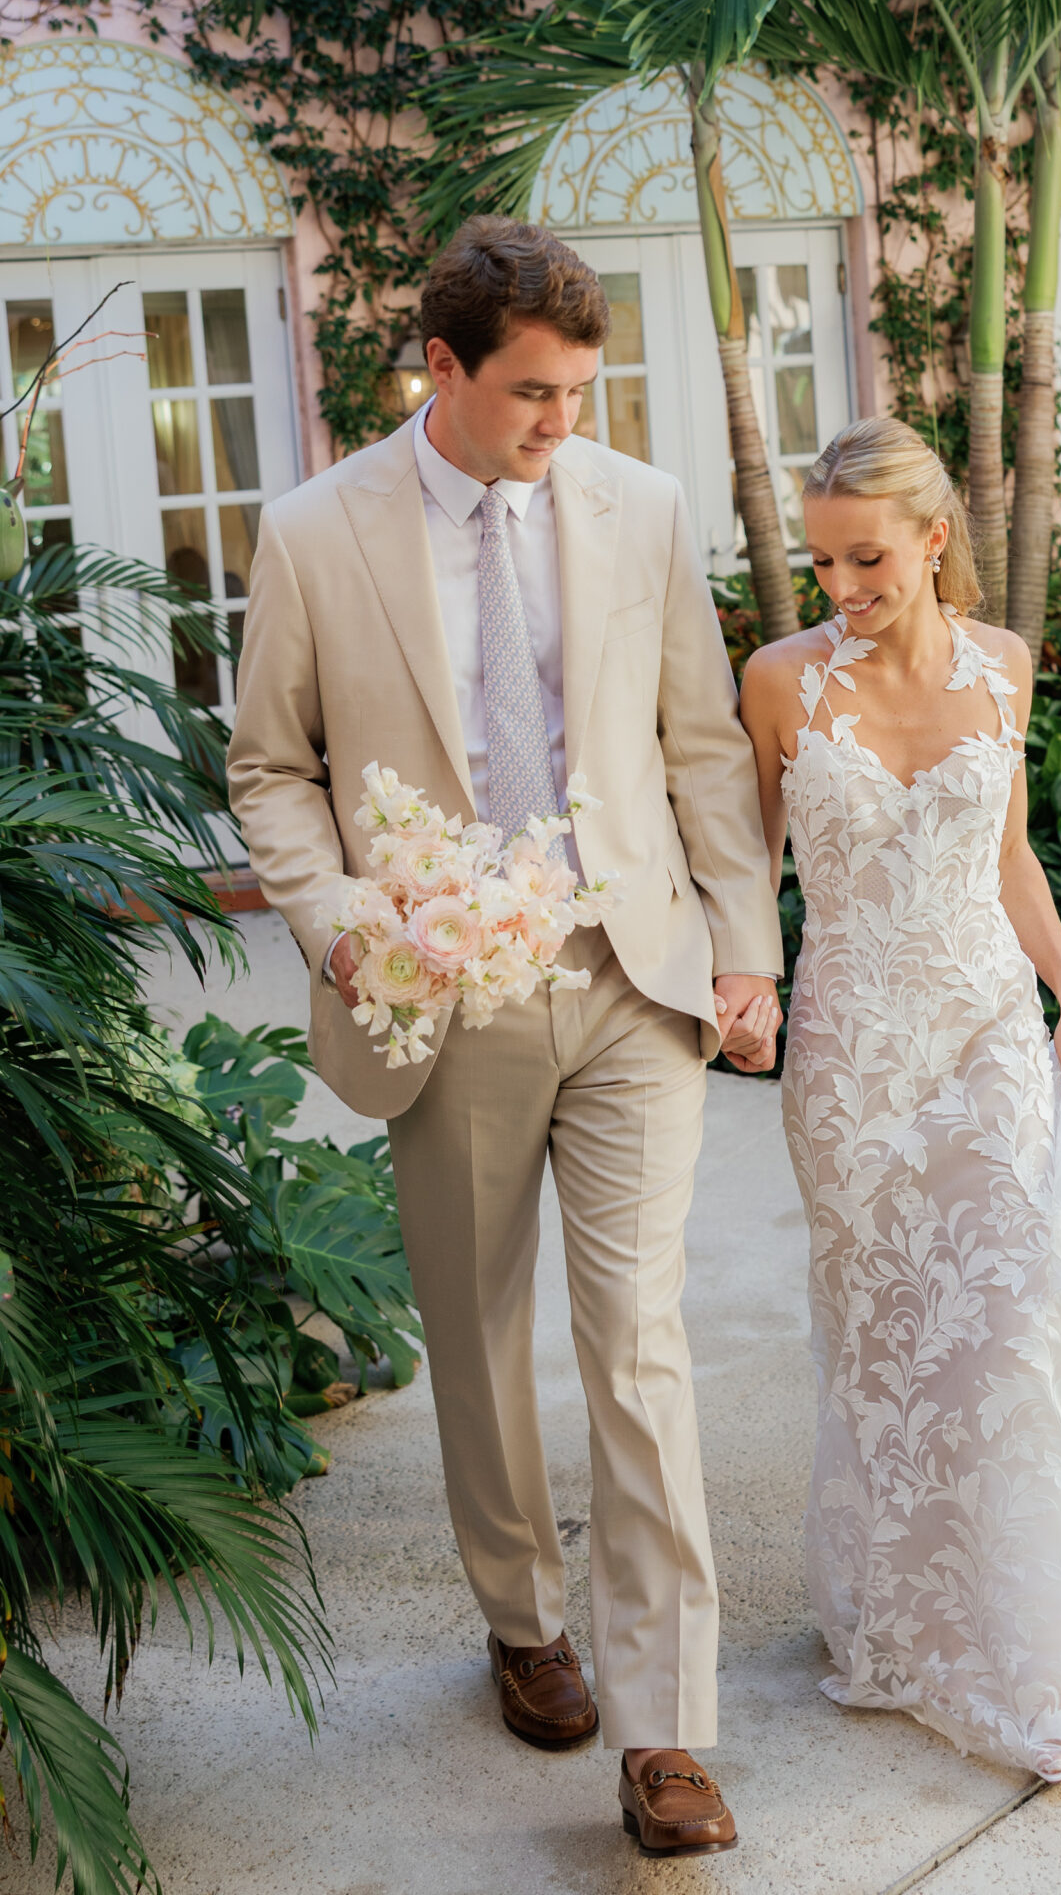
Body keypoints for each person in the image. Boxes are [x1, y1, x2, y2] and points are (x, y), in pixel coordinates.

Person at [229, 218, 784, 1856]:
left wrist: (745, 949)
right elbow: (270, 768)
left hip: (630, 976)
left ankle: (666, 1731)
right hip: (446, 992)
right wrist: (345, 922)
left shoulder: (641, 508)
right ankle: (523, 1618)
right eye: (533, 393)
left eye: (580, 392)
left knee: (638, 1339)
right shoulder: (314, 533)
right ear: (443, 368)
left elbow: (698, 744)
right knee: (476, 1334)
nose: (562, 423)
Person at [739, 416, 1061, 1781]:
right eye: (824, 560)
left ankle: (1025, 1627)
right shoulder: (779, 682)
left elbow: (1009, 853)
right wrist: (743, 987)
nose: (841, 584)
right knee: (886, 1346)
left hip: (985, 1032)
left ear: (934, 539)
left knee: (1008, 1322)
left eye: (868, 557)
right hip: (851, 1059)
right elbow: (746, 863)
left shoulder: (1004, 666)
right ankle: (903, 1618)